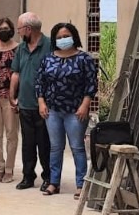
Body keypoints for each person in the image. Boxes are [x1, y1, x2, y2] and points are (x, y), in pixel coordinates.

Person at [36, 22, 98, 199]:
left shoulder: (84, 59)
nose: (63, 40)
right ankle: (54, 183)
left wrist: (85, 105)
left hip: (76, 110)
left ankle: (81, 184)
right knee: (55, 147)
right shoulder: (48, 58)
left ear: (74, 37)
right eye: (59, 37)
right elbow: (40, 82)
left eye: (66, 36)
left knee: (77, 147)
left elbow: (91, 84)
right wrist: (41, 103)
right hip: (52, 110)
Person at [8, 12, 52, 190]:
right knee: (28, 143)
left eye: (19, 29)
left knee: (45, 144)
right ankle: (28, 176)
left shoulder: (49, 45)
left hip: (44, 105)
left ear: (28, 29)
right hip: (25, 103)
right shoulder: (21, 48)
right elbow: (16, 73)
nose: (19, 33)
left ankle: (48, 177)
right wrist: (12, 95)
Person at [0, 17, 21, 183]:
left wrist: (18, 96)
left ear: (12, 29)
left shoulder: (19, 49)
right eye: (0, 29)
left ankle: (9, 169)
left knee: (12, 134)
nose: (3, 31)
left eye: (6, 28)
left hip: (11, 98)